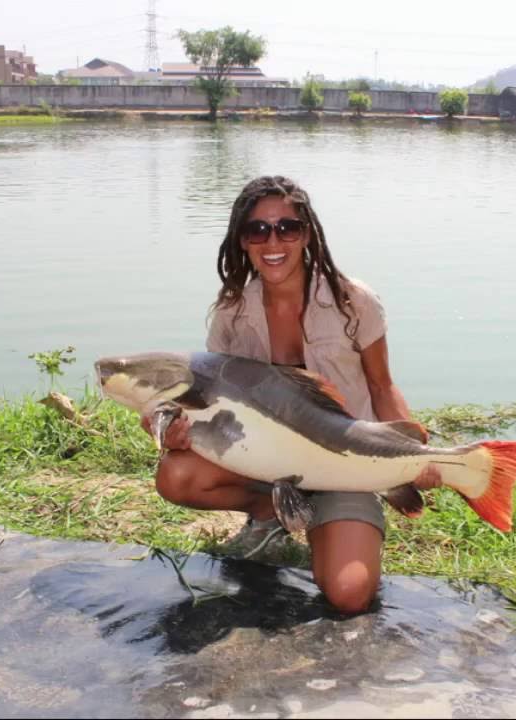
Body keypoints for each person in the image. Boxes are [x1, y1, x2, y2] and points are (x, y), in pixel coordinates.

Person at [144, 175, 441, 615]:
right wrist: (166, 425)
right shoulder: (230, 313)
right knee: (176, 475)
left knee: (348, 593)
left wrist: (416, 454)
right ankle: (272, 512)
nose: (273, 240)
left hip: (346, 467)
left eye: (287, 227)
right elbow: (207, 398)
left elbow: (381, 385)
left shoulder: (353, 301)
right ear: (241, 241)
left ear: (307, 233)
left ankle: (331, 517)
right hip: (267, 464)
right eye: (257, 230)